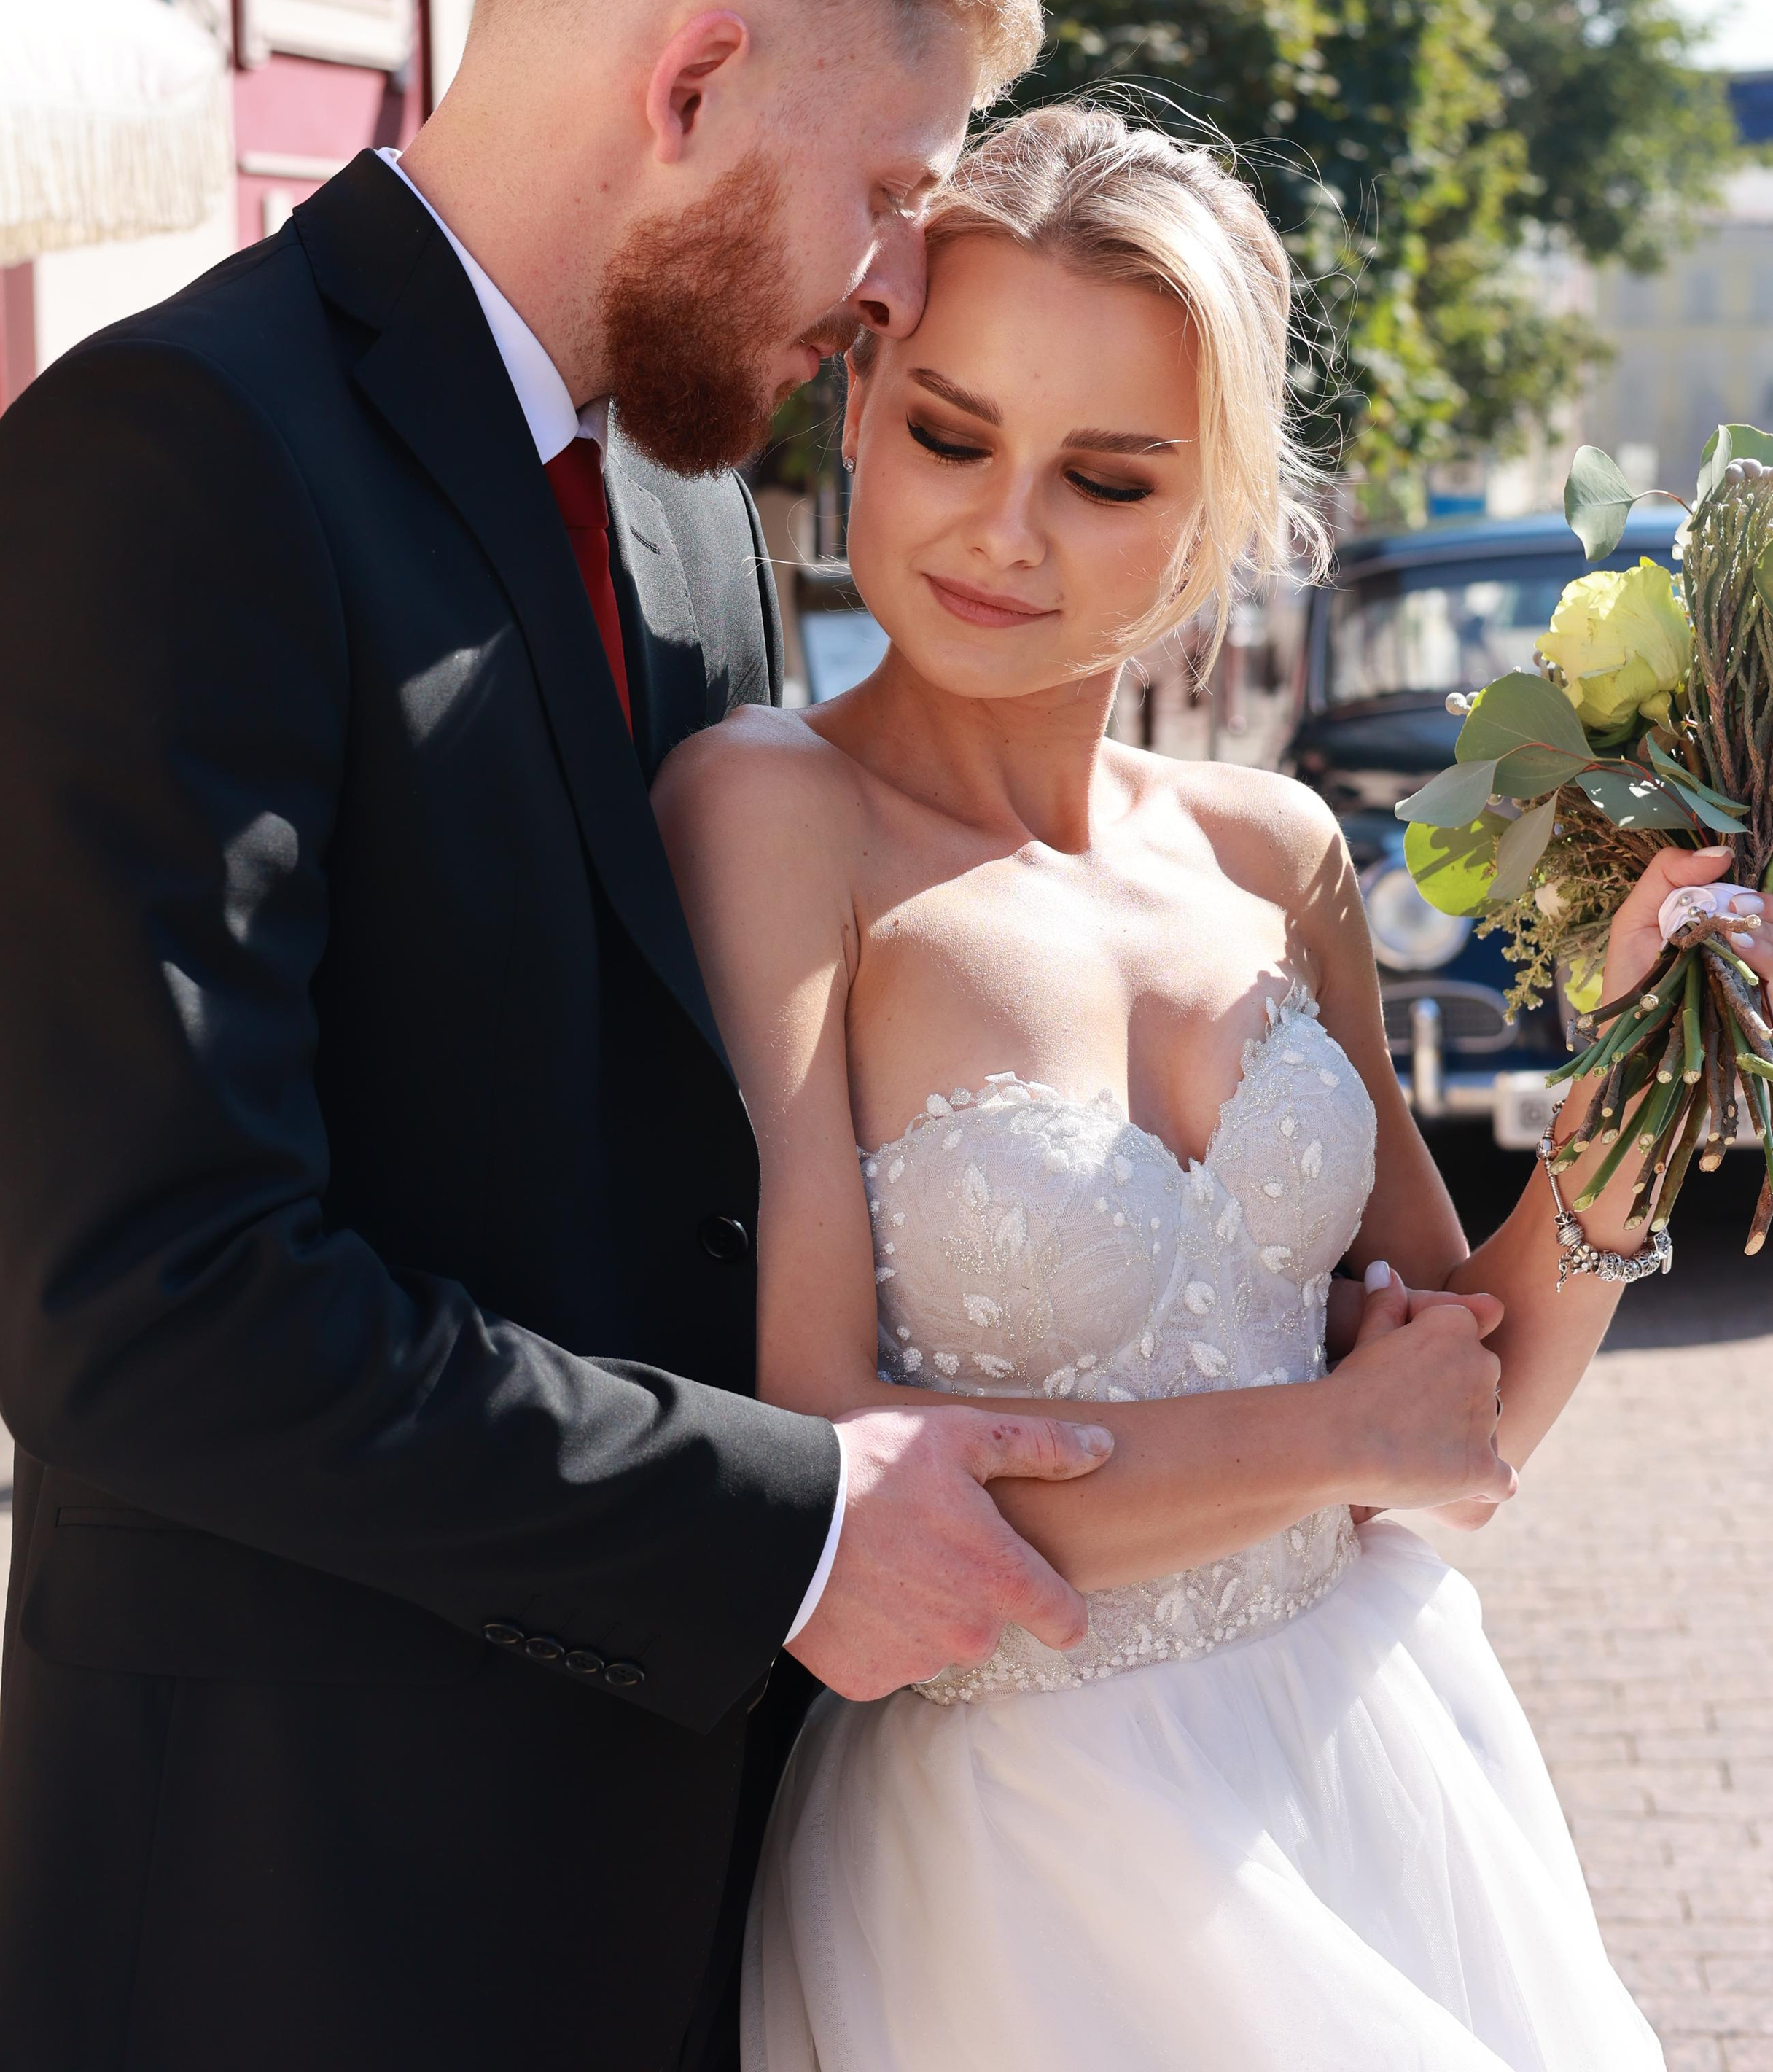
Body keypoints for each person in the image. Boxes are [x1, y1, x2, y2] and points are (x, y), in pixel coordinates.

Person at [0, 0, 1121, 2072]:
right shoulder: (167, 470)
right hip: (288, 1942)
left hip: (680, 1920)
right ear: (685, 89)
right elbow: (147, 1312)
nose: (896, 281)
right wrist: (780, 1521)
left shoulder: (686, 496)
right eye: (888, 182)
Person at [655, 102, 1737, 2070]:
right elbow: (827, 1445)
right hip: (1024, 1861)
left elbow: (1463, 1417)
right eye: (951, 433)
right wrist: (1334, 1440)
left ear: (1218, 513)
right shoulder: (772, 809)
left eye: (1108, 476)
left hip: (1379, 1762)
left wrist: (1643, 1091)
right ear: (860, 402)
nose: (1004, 528)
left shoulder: (1274, 848)